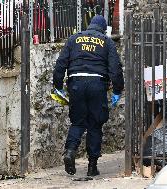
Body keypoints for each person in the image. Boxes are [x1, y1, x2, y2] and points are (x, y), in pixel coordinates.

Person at [53, 15, 124, 176]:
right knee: (95, 124)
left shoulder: (73, 39)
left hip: (76, 83)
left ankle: (70, 152)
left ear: (89, 26)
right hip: (97, 85)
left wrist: (58, 86)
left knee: (77, 122)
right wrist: (118, 90)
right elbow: (115, 69)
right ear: (104, 29)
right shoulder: (107, 42)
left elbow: (60, 64)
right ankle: (92, 166)